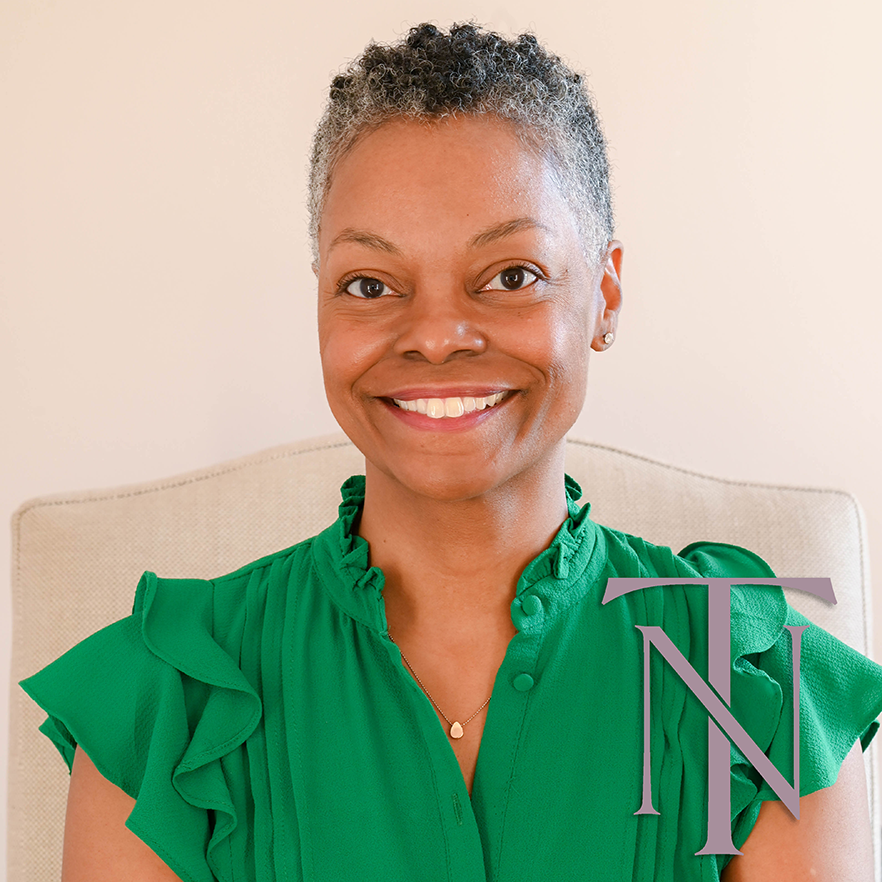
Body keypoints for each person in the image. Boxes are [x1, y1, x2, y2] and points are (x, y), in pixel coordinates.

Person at [20, 22, 882, 882]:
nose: (435, 336)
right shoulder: (165, 700)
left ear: (605, 294)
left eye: (511, 276)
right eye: (369, 284)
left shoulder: (760, 690)